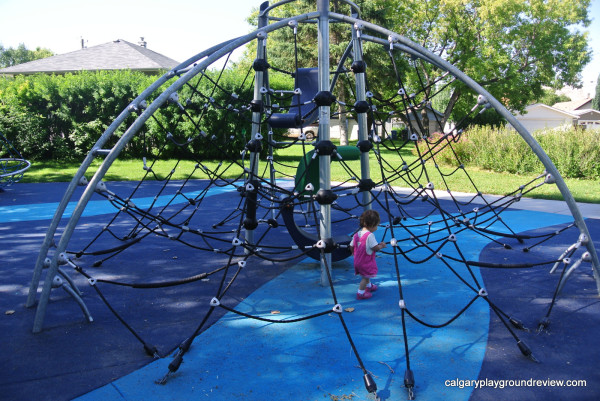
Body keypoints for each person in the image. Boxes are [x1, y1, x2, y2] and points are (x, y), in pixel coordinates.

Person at [349, 209, 386, 300]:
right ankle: (360, 293)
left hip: (357, 260)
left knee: (366, 274)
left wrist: (353, 253)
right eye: (376, 225)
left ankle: (368, 286)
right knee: (365, 277)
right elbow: (375, 247)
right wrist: (381, 246)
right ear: (372, 225)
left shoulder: (356, 234)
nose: (376, 227)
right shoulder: (370, 235)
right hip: (366, 261)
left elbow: (351, 245)